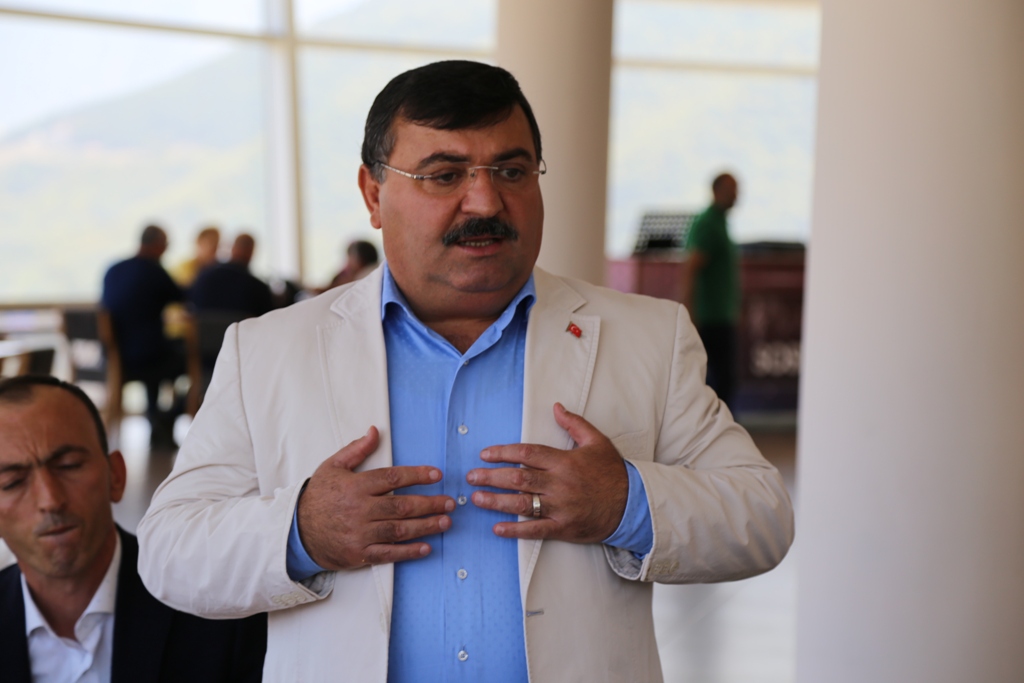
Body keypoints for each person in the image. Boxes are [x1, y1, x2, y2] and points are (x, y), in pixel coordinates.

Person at [138, 61, 793, 682]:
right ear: (373, 193)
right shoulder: (270, 351)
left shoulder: (644, 337)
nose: (485, 201)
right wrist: (303, 530)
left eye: (511, 170)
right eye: (445, 174)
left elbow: (761, 515)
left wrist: (624, 503)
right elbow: (169, 551)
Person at [0, 375, 267, 683]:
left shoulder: (218, 607)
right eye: (12, 482)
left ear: (115, 475)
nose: (50, 500)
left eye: (69, 465)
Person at [101, 225, 185, 448]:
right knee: (196, 361)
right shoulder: (154, 271)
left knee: (157, 350)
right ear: (157, 245)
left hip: (113, 356)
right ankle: (164, 419)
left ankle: (156, 420)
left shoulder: (114, 270)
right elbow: (182, 297)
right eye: (166, 245)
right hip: (145, 358)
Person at [684, 172, 741, 409]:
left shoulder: (720, 222)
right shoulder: (708, 224)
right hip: (709, 318)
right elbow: (691, 268)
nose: (736, 195)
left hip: (722, 315)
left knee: (725, 381)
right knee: (714, 382)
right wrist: (690, 312)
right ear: (717, 191)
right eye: (731, 190)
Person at [189, 233, 273, 318]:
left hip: (204, 327)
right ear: (251, 252)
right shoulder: (258, 288)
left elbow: (192, 307)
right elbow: (269, 318)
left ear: (233, 248)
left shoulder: (204, 277)